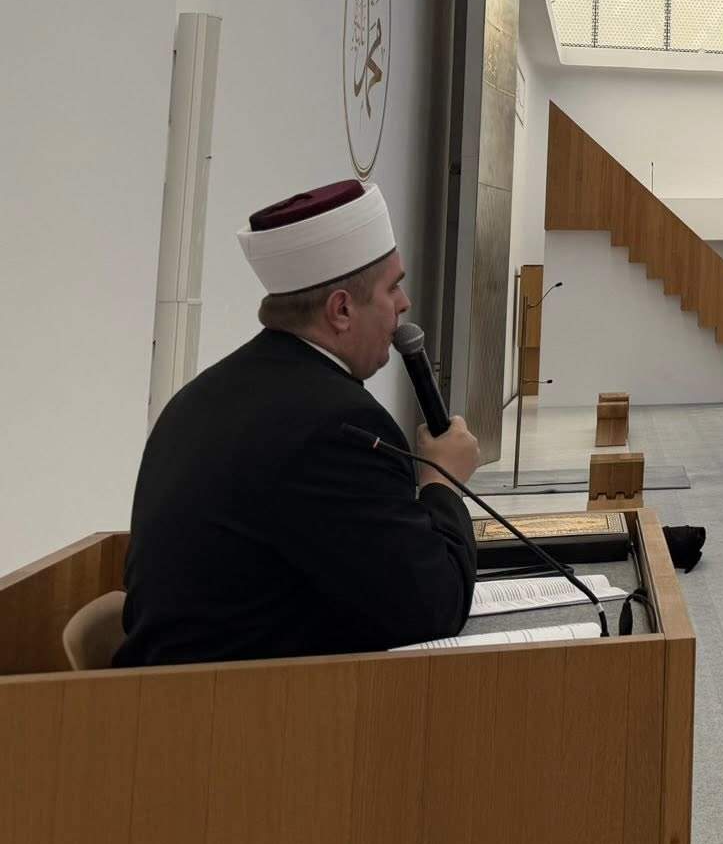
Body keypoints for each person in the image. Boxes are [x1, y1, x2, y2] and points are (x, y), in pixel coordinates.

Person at [117, 182, 479, 665]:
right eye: (393, 286)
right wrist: (442, 481)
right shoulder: (339, 427)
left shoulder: (202, 394)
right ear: (342, 310)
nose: (404, 303)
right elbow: (434, 607)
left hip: (184, 686)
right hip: (230, 703)